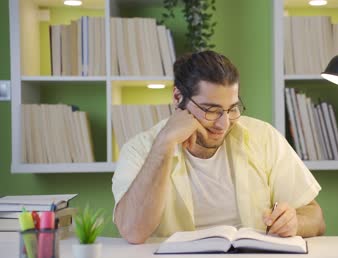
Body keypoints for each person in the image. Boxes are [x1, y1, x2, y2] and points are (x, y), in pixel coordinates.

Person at [112, 50, 325, 244]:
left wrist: (295, 222)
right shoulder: (139, 150)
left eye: (231, 109)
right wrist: (164, 143)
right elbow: (132, 231)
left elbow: (316, 217)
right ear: (178, 98)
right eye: (211, 110)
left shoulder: (264, 137)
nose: (223, 124)